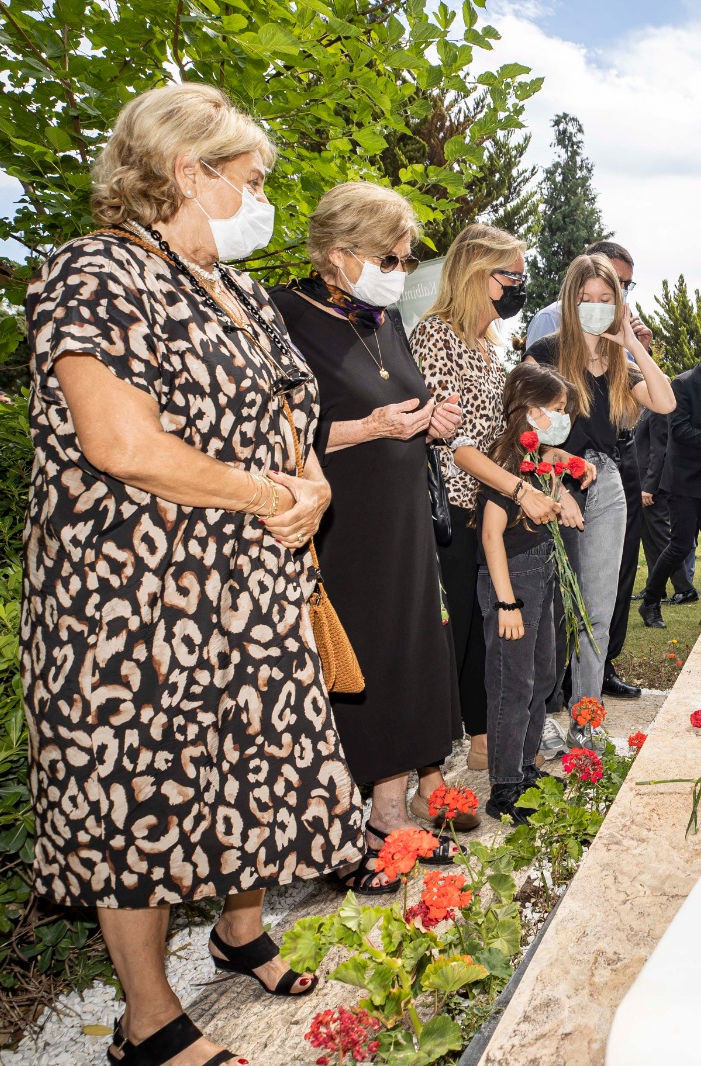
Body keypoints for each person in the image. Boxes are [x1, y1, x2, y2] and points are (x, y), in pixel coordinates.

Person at [23, 82, 361, 1066]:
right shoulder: (97, 273)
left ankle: (238, 930)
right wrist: (271, 497)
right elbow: (122, 442)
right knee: (140, 787)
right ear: (188, 171)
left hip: (243, 589)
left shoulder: (244, 294)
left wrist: (311, 486)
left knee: (243, 771)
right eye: (250, 179)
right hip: (130, 594)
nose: (262, 199)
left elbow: (291, 418)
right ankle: (146, 1017)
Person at [272, 182, 472, 877]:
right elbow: (270, 430)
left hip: (402, 518)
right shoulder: (284, 317)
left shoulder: (381, 318)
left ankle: (391, 809)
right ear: (337, 254)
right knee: (358, 663)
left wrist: (430, 422)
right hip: (339, 524)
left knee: (407, 651)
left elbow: (404, 397)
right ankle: (343, 815)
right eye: (390, 257)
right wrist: (370, 428)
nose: (402, 270)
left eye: (407, 259)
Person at [413, 223, 563, 775]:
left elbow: (505, 434)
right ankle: (426, 764)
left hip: (490, 508)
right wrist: (519, 488)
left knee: (486, 638)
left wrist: (548, 478)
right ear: (478, 274)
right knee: (449, 642)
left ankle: (484, 743)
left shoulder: (490, 346)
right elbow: (453, 442)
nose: (520, 286)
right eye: (512, 276)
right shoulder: (436, 335)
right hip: (452, 509)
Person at [523, 254, 674, 712]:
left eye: (605, 299)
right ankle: (542, 711)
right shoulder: (546, 352)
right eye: (585, 298)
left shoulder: (617, 361)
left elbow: (665, 401)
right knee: (552, 608)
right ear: (571, 300)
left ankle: (585, 713)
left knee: (598, 610)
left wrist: (631, 343)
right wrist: (555, 483)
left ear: (619, 303)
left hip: (606, 484)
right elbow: (523, 429)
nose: (594, 305)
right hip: (553, 481)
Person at [476, 363, 572, 821]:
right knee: (511, 686)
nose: (563, 416)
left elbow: (553, 469)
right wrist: (506, 603)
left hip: (541, 573)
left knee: (540, 677)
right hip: (511, 580)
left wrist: (568, 474)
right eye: (557, 409)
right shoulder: (507, 465)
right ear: (532, 412)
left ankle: (527, 765)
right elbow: (492, 536)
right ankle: (504, 785)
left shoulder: (534, 456)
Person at [640, 333, 701, 627]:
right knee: (679, 545)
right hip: (683, 480)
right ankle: (650, 602)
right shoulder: (682, 384)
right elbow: (679, 429)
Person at [635, 405, 696, 626]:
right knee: (649, 539)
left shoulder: (659, 411)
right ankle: (655, 587)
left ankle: (685, 588)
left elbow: (659, 449)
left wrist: (650, 485)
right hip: (642, 483)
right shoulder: (646, 411)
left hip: (654, 487)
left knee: (662, 538)